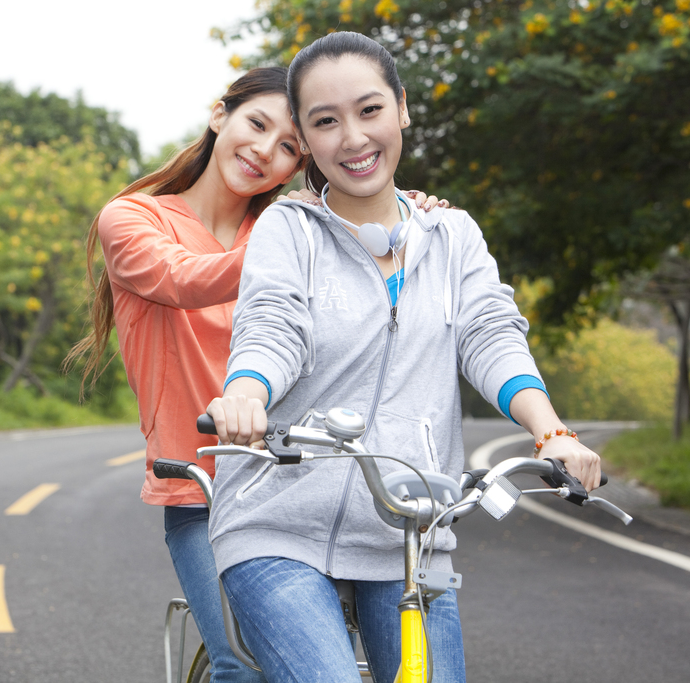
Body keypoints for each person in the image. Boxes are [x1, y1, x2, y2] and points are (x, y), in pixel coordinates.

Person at [205, 33, 602, 683]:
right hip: (277, 528)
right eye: (326, 122)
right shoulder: (289, 230)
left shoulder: (453, 237)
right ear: (304, 139)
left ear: (402, 109)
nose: (353, 138)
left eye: (369, 110)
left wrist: (551, 432)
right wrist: (247, 394)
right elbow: (273, 327)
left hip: (409, 537)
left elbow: (490, 335)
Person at [66, 66, 445, 682]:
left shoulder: (290, 227)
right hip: (203, 489)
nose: (265, 151)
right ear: (221, 115)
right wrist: (316, 236)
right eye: (257, 124)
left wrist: (405, 220)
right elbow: (184, 279)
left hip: (311, 483)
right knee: (241, 667)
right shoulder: (134, 219)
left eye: (290, 146)